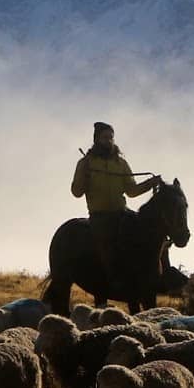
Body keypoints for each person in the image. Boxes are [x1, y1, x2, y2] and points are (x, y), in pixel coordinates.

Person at [70, 121, 160, 291]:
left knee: (149, 232)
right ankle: (112, 279)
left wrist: (150, 183)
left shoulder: (120, 163)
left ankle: (161, 274)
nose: (109, 141)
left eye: (111, 137)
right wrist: (85, 178)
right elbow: (76, 192)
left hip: (121, 212)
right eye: (105, 137)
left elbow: (131, 191)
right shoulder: (86, 163)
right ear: (96, 139)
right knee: (107, 242)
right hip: (100, 215)